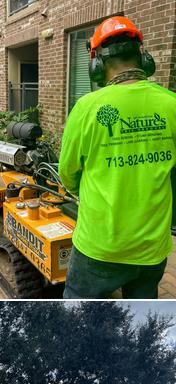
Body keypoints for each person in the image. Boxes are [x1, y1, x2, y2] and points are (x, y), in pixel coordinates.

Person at [59, 16, 176, 299]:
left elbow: (67, 173)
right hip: (152, 249)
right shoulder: (171, 103)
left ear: (96, 64)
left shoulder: (87, 107)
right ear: (143, 57)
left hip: (99, 248)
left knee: (78, 319)